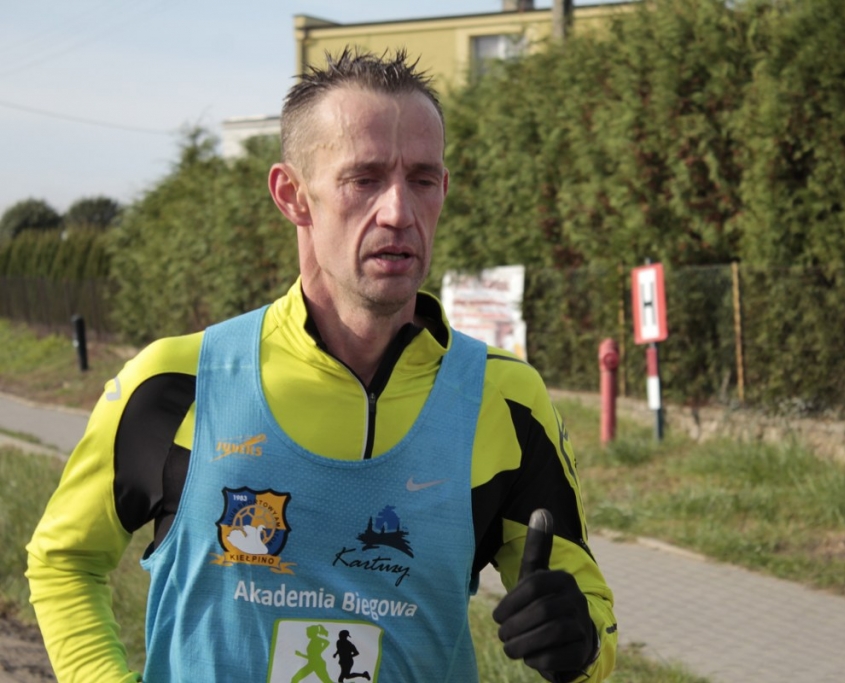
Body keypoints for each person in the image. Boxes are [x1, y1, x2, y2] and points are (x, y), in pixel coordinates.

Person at [26, 47, 617, 682]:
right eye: (364, 179)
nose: (399, 211)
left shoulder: (503, 398)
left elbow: (593, 622)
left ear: (443, 191)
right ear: (293, 195)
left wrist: (579, 642)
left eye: (422, 180)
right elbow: (65, 561)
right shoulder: (178, 382)